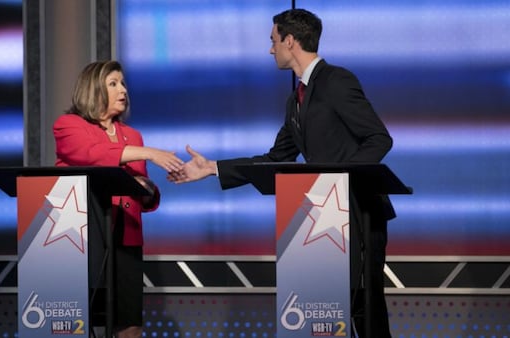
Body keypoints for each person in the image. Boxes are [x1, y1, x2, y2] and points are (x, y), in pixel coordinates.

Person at [169, 9, 395, 338]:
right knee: (325, 314)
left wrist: (341, 184)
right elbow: (275, 158)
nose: (270, 49)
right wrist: (213, 169)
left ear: (290, 41)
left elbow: (379, 138)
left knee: (363, 306)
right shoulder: (296, 101)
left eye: (273, 41)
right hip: (323, 218)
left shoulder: (337, 81)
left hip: (357, 214)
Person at [53, 60, 183, 338]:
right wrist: (148, 153)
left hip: (126, 239)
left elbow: (142, 189)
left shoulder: (132, 135)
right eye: (113, 83)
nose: (123, 90)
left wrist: (147, 190)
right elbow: (89, 154)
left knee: (129, 322)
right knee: (79, 321)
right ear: (93, 89)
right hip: (82, 240)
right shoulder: (68, 125)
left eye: (123, 83)